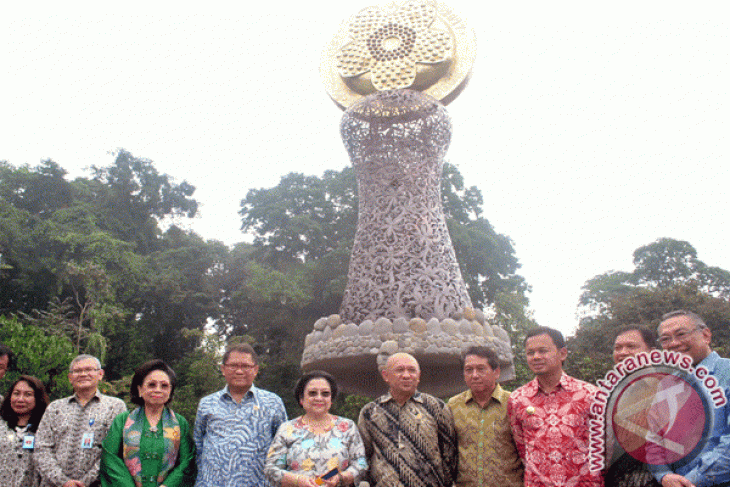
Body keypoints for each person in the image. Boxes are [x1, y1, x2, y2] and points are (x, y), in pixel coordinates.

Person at [508, 326, 603, 487]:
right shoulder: (518, 399)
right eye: (530, 353)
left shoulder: (590, 395)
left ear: (563, 353)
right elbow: (522, 448)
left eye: (543, 351)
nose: (536, 357)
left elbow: (603, 447)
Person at [650, 310, 730, 487]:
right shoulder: (666, 385)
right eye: (665, 339)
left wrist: (692, 480)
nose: (674, 344)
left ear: (706, 335)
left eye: (681, 334)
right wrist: (663, 475)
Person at [358, 352, 458, 487]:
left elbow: (449, 454)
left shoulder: (436, 408)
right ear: (385, 375)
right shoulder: (370, 412)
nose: (406, 375)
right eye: (399, 370)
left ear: (419, 375)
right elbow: (363, 456)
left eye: (412, 370)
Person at [194, 343, 287, 487]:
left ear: (255, 369)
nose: (239, 371)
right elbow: (198, 444)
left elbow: (282, 446)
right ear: (223, 369)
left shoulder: (273, 402)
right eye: (233, 365)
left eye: (245, 366)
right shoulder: (207, 403)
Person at [34, 354, 126, 487]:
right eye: (77, 371)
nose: (83, 374)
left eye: (89, 370)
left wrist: (85, 482)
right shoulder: (55, 407)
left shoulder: (115, 406)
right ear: (70, 378)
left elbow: (115, 450)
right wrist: (63, 481)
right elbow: (41, 448)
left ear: (100, 374)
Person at [100, 359, 195, 487]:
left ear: (171, 391)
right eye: (151, 385)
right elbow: (110, 459)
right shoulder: (122, 420)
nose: (158, 390)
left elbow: (187, 461)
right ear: (139, 389)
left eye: (164, 386)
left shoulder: (179, 422)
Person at [265, 370, 367, 487]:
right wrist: (298, 480)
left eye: (325, 394)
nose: (319, 398)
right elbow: (271, 469)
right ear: (301, 398)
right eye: (312, 393)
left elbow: (361, 464)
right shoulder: (287, 429)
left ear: (331, 399)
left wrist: (341, 478)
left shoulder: (347, 427)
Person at [448, 346, 523, 487]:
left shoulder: (515, 403)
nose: (474, 375)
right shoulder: (454, 405)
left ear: (496, 372)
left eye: (481, 369)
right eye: (469, 370)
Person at [605, 325, 660, 487]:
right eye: (618, 348)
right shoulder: (610, 391)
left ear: (652, 352)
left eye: (631, 347)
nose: (622, 353)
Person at [0, 375, 50, 486]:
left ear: (38, 398)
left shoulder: (46, 429)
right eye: (16, 393)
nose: (20, 399)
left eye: (28, 395)